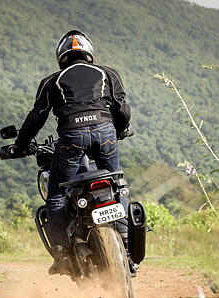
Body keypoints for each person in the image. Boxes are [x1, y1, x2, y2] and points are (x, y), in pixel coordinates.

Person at [8, 30, 132, 275]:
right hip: (106, 133)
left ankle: (62, 255)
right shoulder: (107, 73)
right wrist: (121, 129)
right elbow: (122, 108)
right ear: (89, 54)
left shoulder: (52, 81)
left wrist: (20, 145)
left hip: (72, 137)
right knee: (117, 183)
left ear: (61, 57)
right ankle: (126, 238)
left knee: (56, 195)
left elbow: (37, 117)